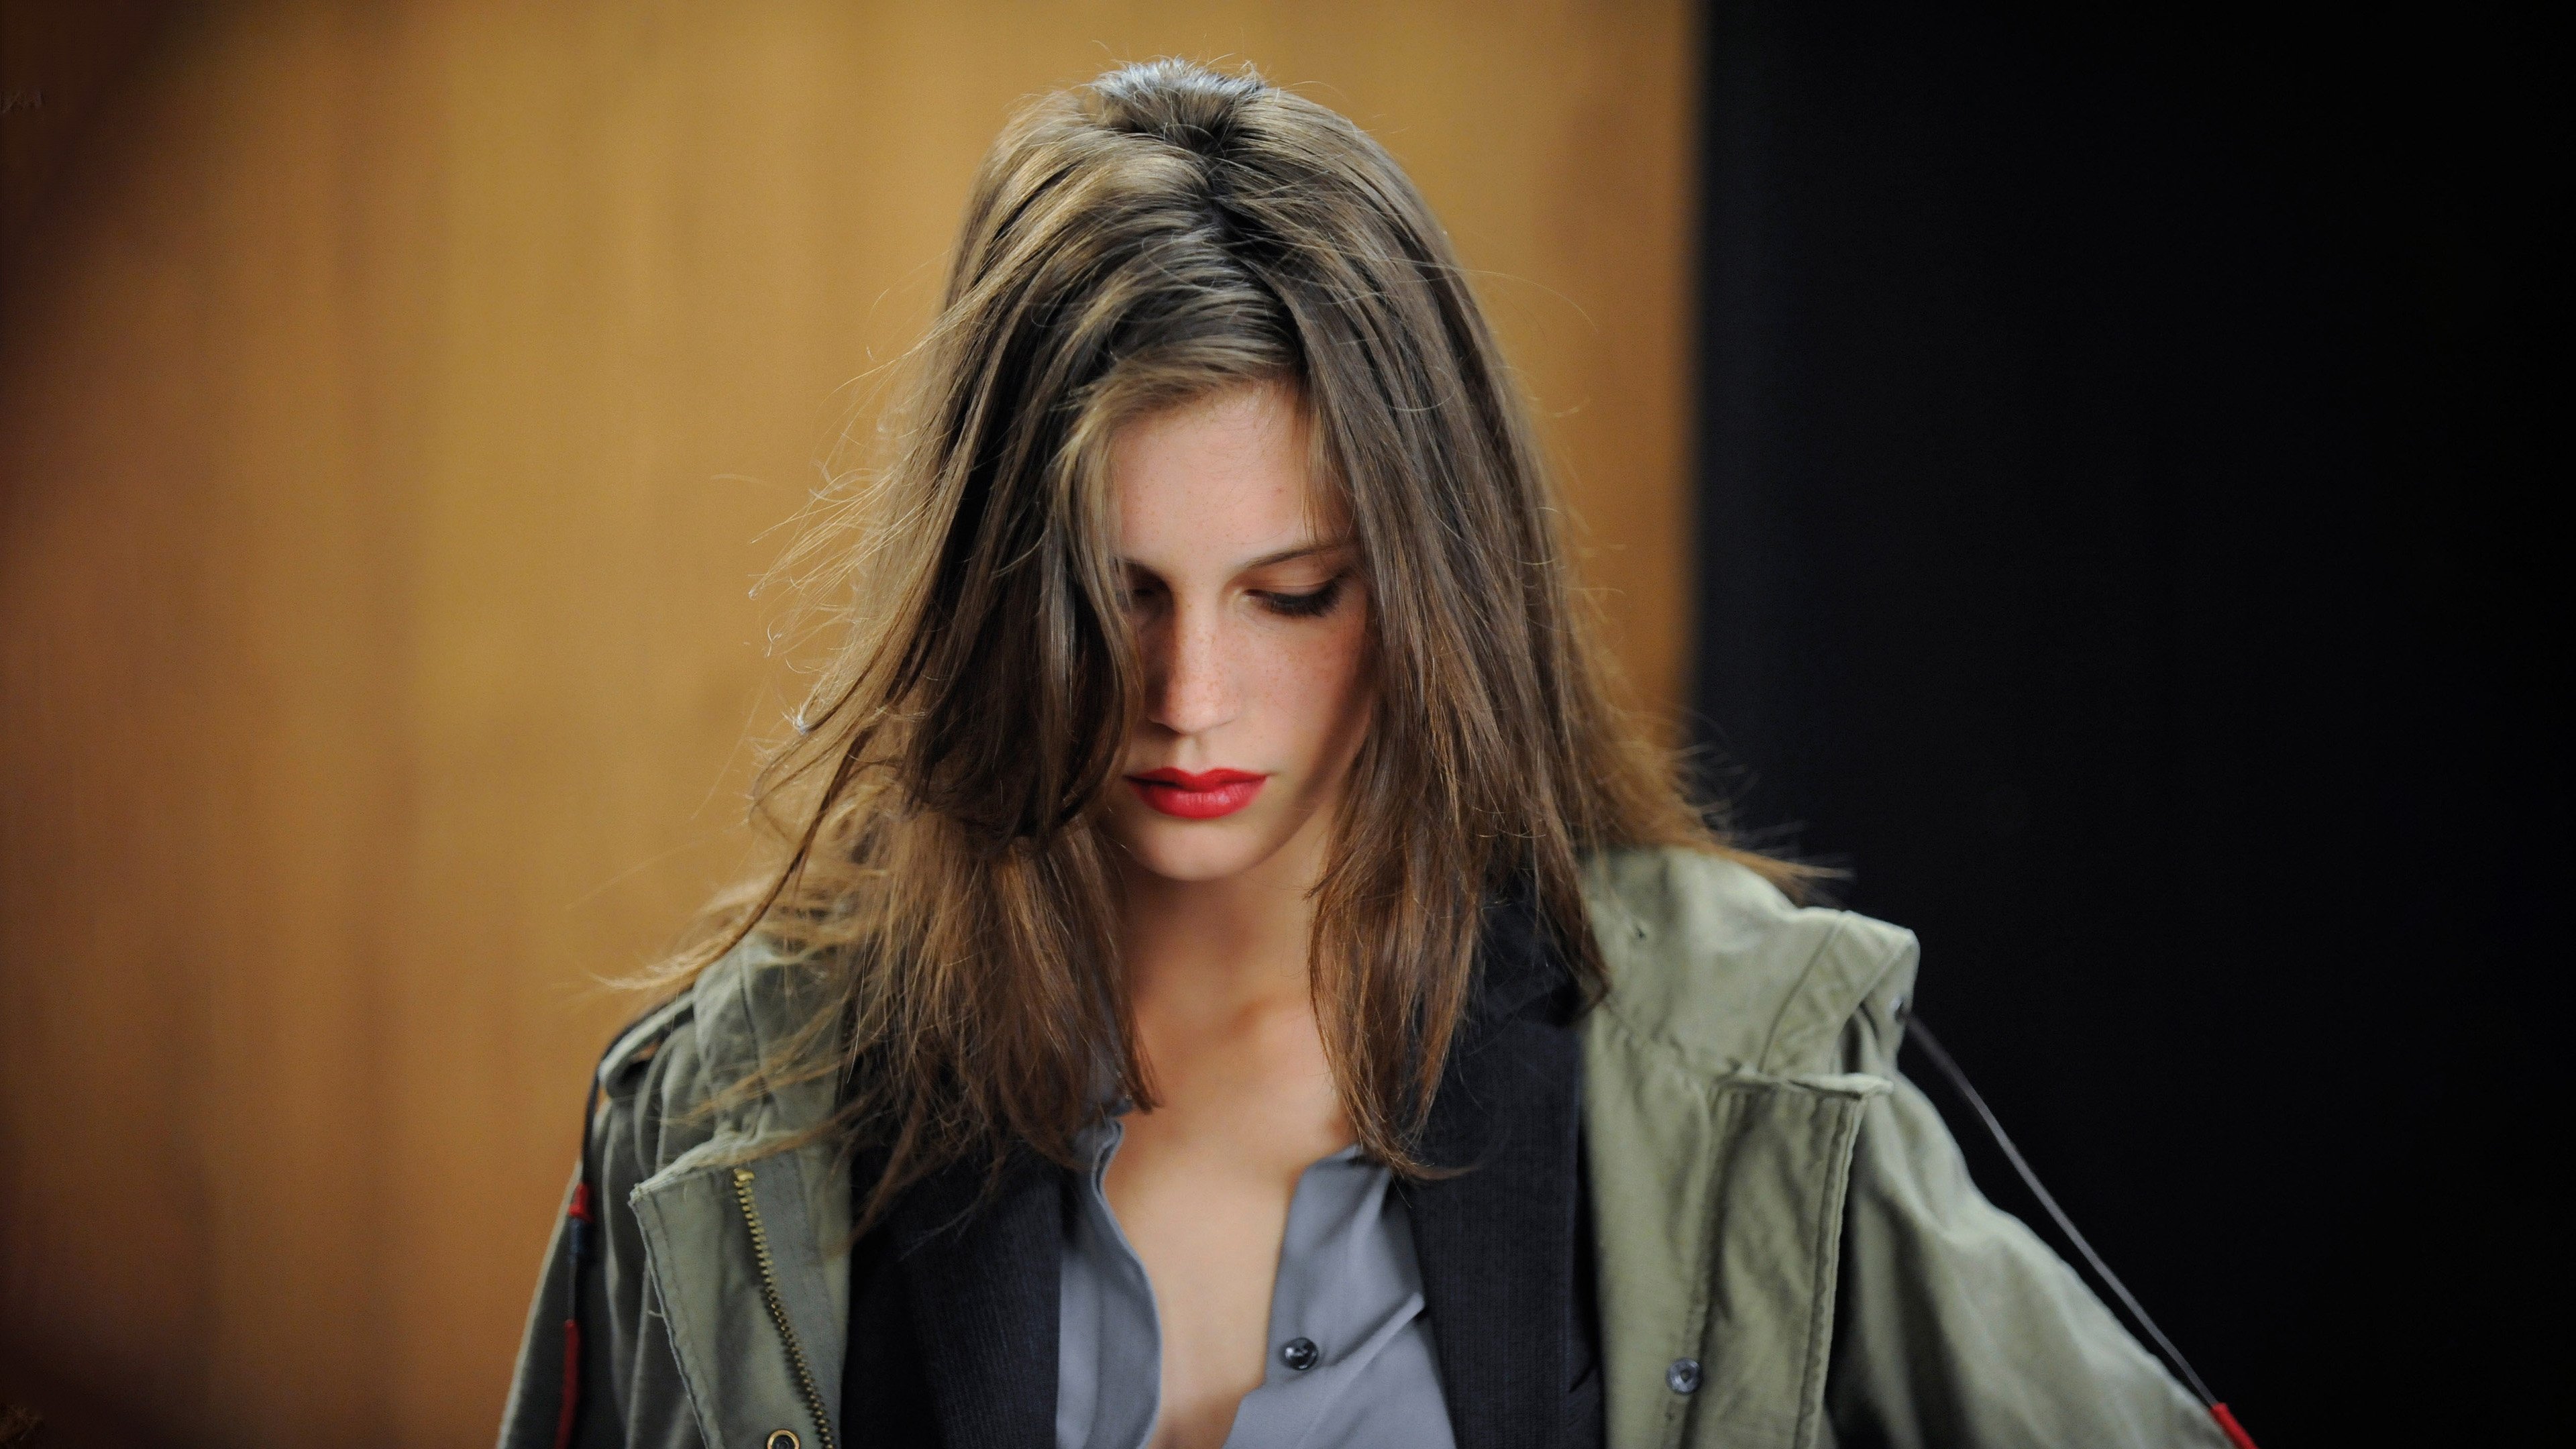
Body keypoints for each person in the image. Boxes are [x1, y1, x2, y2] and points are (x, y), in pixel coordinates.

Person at [497, 59, 2233, 1449]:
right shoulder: (727, 1117)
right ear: (988, 592)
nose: (1189, 695)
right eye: (1114, 595)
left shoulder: (1734, 1066)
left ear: (1432, 590)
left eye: (1293, 595)